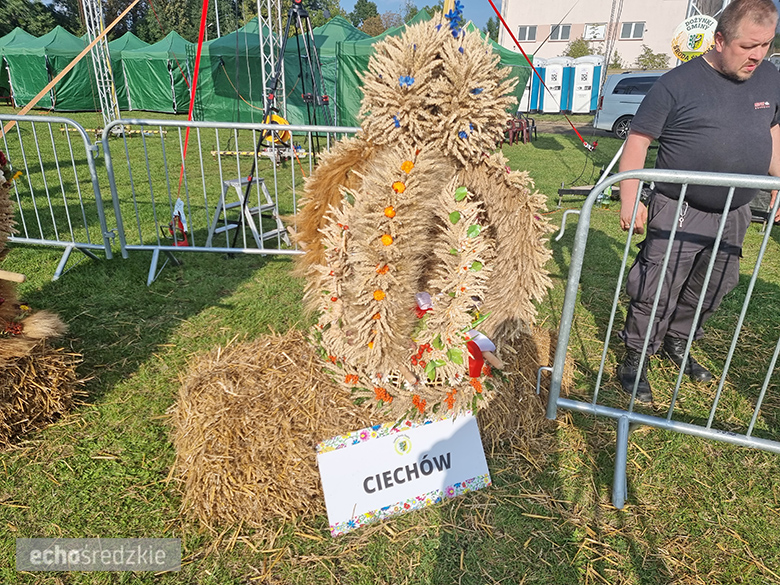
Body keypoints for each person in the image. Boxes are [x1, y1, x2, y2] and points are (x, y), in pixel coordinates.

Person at [616, 0, 780, 403]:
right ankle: (636, 358)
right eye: (748, 46)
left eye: (767, 45)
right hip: (681, 207)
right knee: (658, 286)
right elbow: (638, 141)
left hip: (736, 210)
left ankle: (678, 342)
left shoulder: (769, 76)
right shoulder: (675, 84)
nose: (758, 55)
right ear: (719, 39)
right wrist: (630, 198)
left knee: (713, 286)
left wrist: (778, 180)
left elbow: (772, 127)